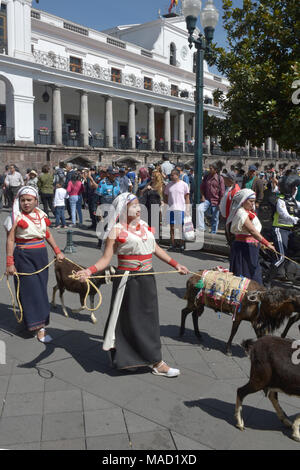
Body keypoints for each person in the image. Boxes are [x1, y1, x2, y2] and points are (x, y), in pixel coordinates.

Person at [76, 192, 189, 376]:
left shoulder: (144, 226)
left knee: (149, 320)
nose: (138, 208)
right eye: (133, 206)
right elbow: (105, 259)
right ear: (122, 209)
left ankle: (155, 360)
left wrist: (176, 264)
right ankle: (142, 359)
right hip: (127, 280)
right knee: (129, 320)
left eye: (138, 205)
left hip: (147, 277)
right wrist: (89, 271)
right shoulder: (116, 230)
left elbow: (156, 249)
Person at [4, 186, 64, 342]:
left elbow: (47, 234)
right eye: (23, 200)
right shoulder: (15, 217)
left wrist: (57, 250)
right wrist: (10, 262)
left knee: (40, 289)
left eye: (29, 200)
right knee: (30, 291)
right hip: (24, 256)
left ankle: (36, 323)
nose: (25, 203)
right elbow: (10, 239)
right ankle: (39, 327)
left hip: (41, 256)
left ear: (36, 201)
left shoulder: (41, 215)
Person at [227, 188, 275, 284]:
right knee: (246, 275)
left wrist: (259, 242)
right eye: (250, 201)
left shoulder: (249, 212)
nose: (252, 204)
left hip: (250, 247)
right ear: (243, 201)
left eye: (254, 201)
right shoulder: (242, 213)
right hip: (243, 248)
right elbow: (252, 231)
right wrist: (266, 243)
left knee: (253, 273)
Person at [269, 173, 300, 281]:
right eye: (293, 187)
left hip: (292, 230)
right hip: (280, 229)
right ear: (288, 188)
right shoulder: (280, 200)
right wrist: (296, 220)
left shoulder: (294, 201)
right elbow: (284, 214)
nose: (295, 189)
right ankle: (267, 280)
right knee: (282, 257)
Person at [164, 169, 190, 252]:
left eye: (172, 175)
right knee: (172, 228)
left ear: (177, 175)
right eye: (170, 175)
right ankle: (173, 244)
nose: (171, 176)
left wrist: (187, 208)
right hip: (171, 209)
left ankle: (182, 244)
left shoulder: (184, 185)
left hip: (181, 209)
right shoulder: (168, 185)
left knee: (180, 227)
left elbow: (187, 197)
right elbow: (166, 196)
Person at [197, 163, 225, 234]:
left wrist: (220, 202)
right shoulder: (206, 177)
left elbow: (222, 191)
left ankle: (213, 232)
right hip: (207, 199)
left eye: (211, 168)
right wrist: (203, 196)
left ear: (215, 170)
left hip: (216, 201)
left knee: (215, 217)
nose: (210, 170)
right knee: (199, 209)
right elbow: (202, 187)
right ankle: (201, 228)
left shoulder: (220, 178)